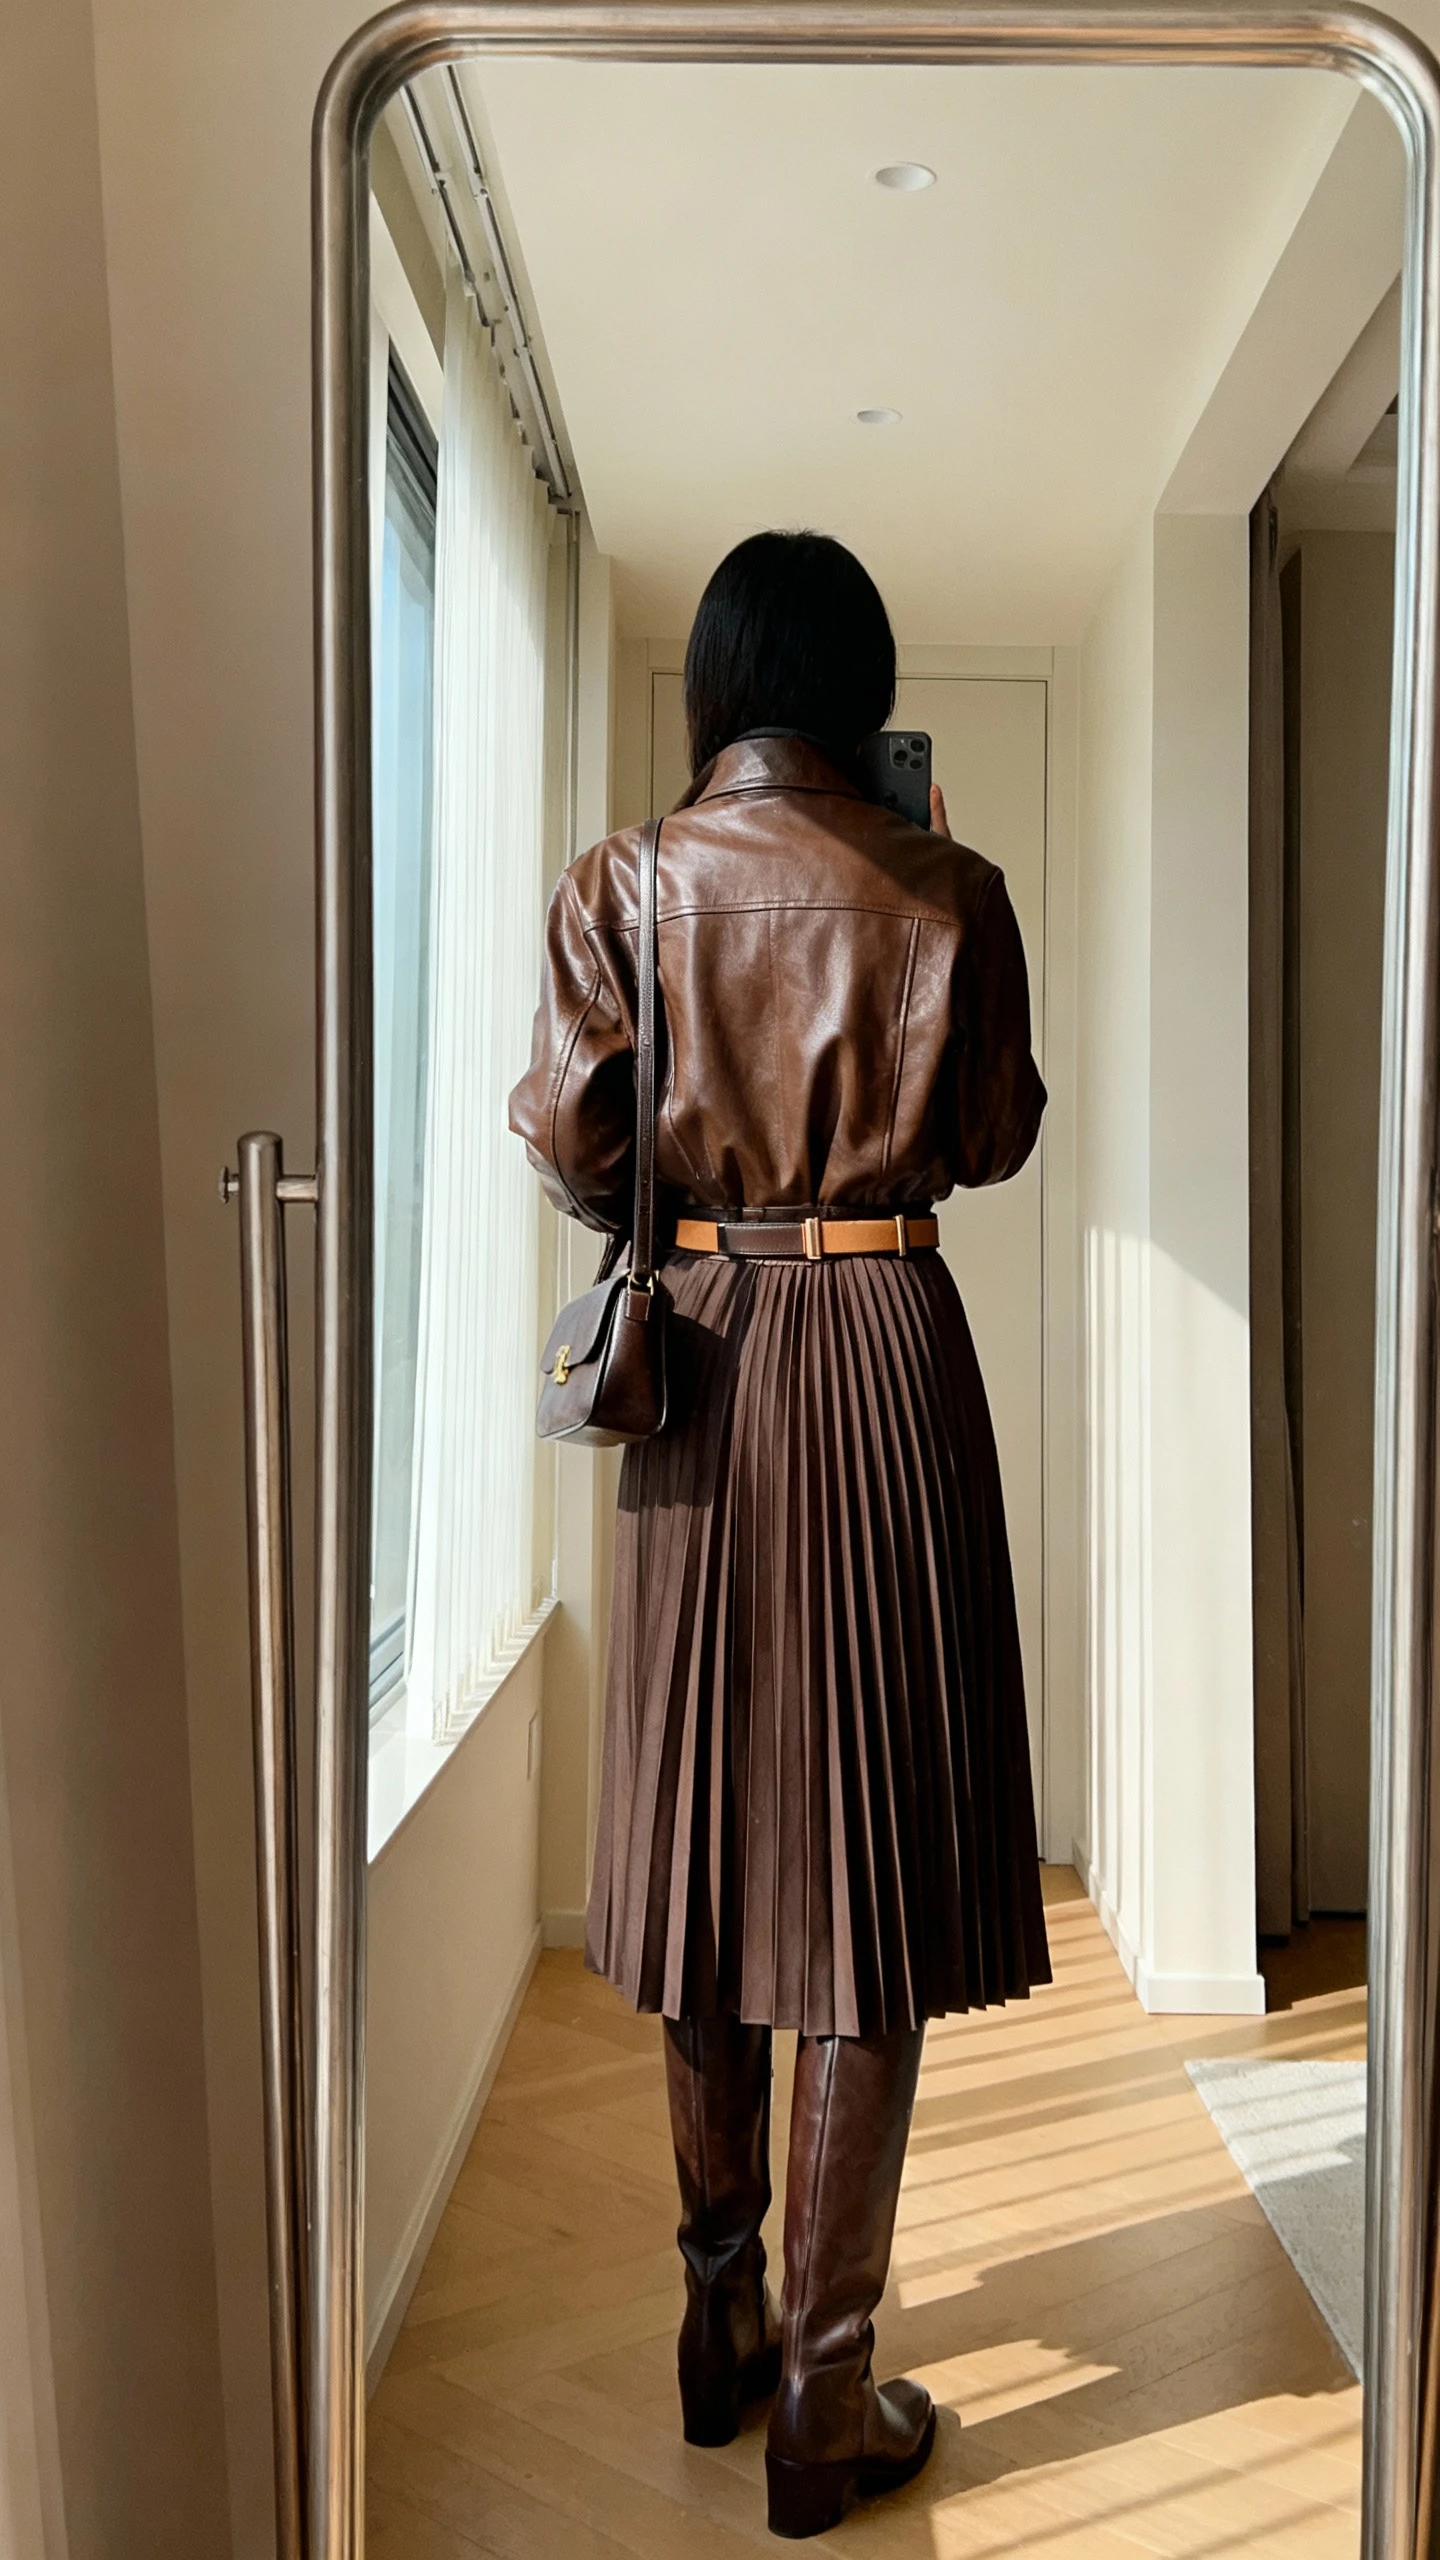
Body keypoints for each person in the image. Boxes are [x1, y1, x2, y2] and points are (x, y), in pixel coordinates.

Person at [510, 529, 1050, 2540]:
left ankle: (719, 2323)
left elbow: (578, 1152)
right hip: (890, 1355)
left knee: (710, 1845)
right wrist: (936, 919)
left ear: (722, 685)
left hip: (707, 1367)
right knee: (869, 1879)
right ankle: (829, 2403)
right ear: (863, 690)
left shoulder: (621, 883)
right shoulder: (949, 888)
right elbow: (988, 1136)